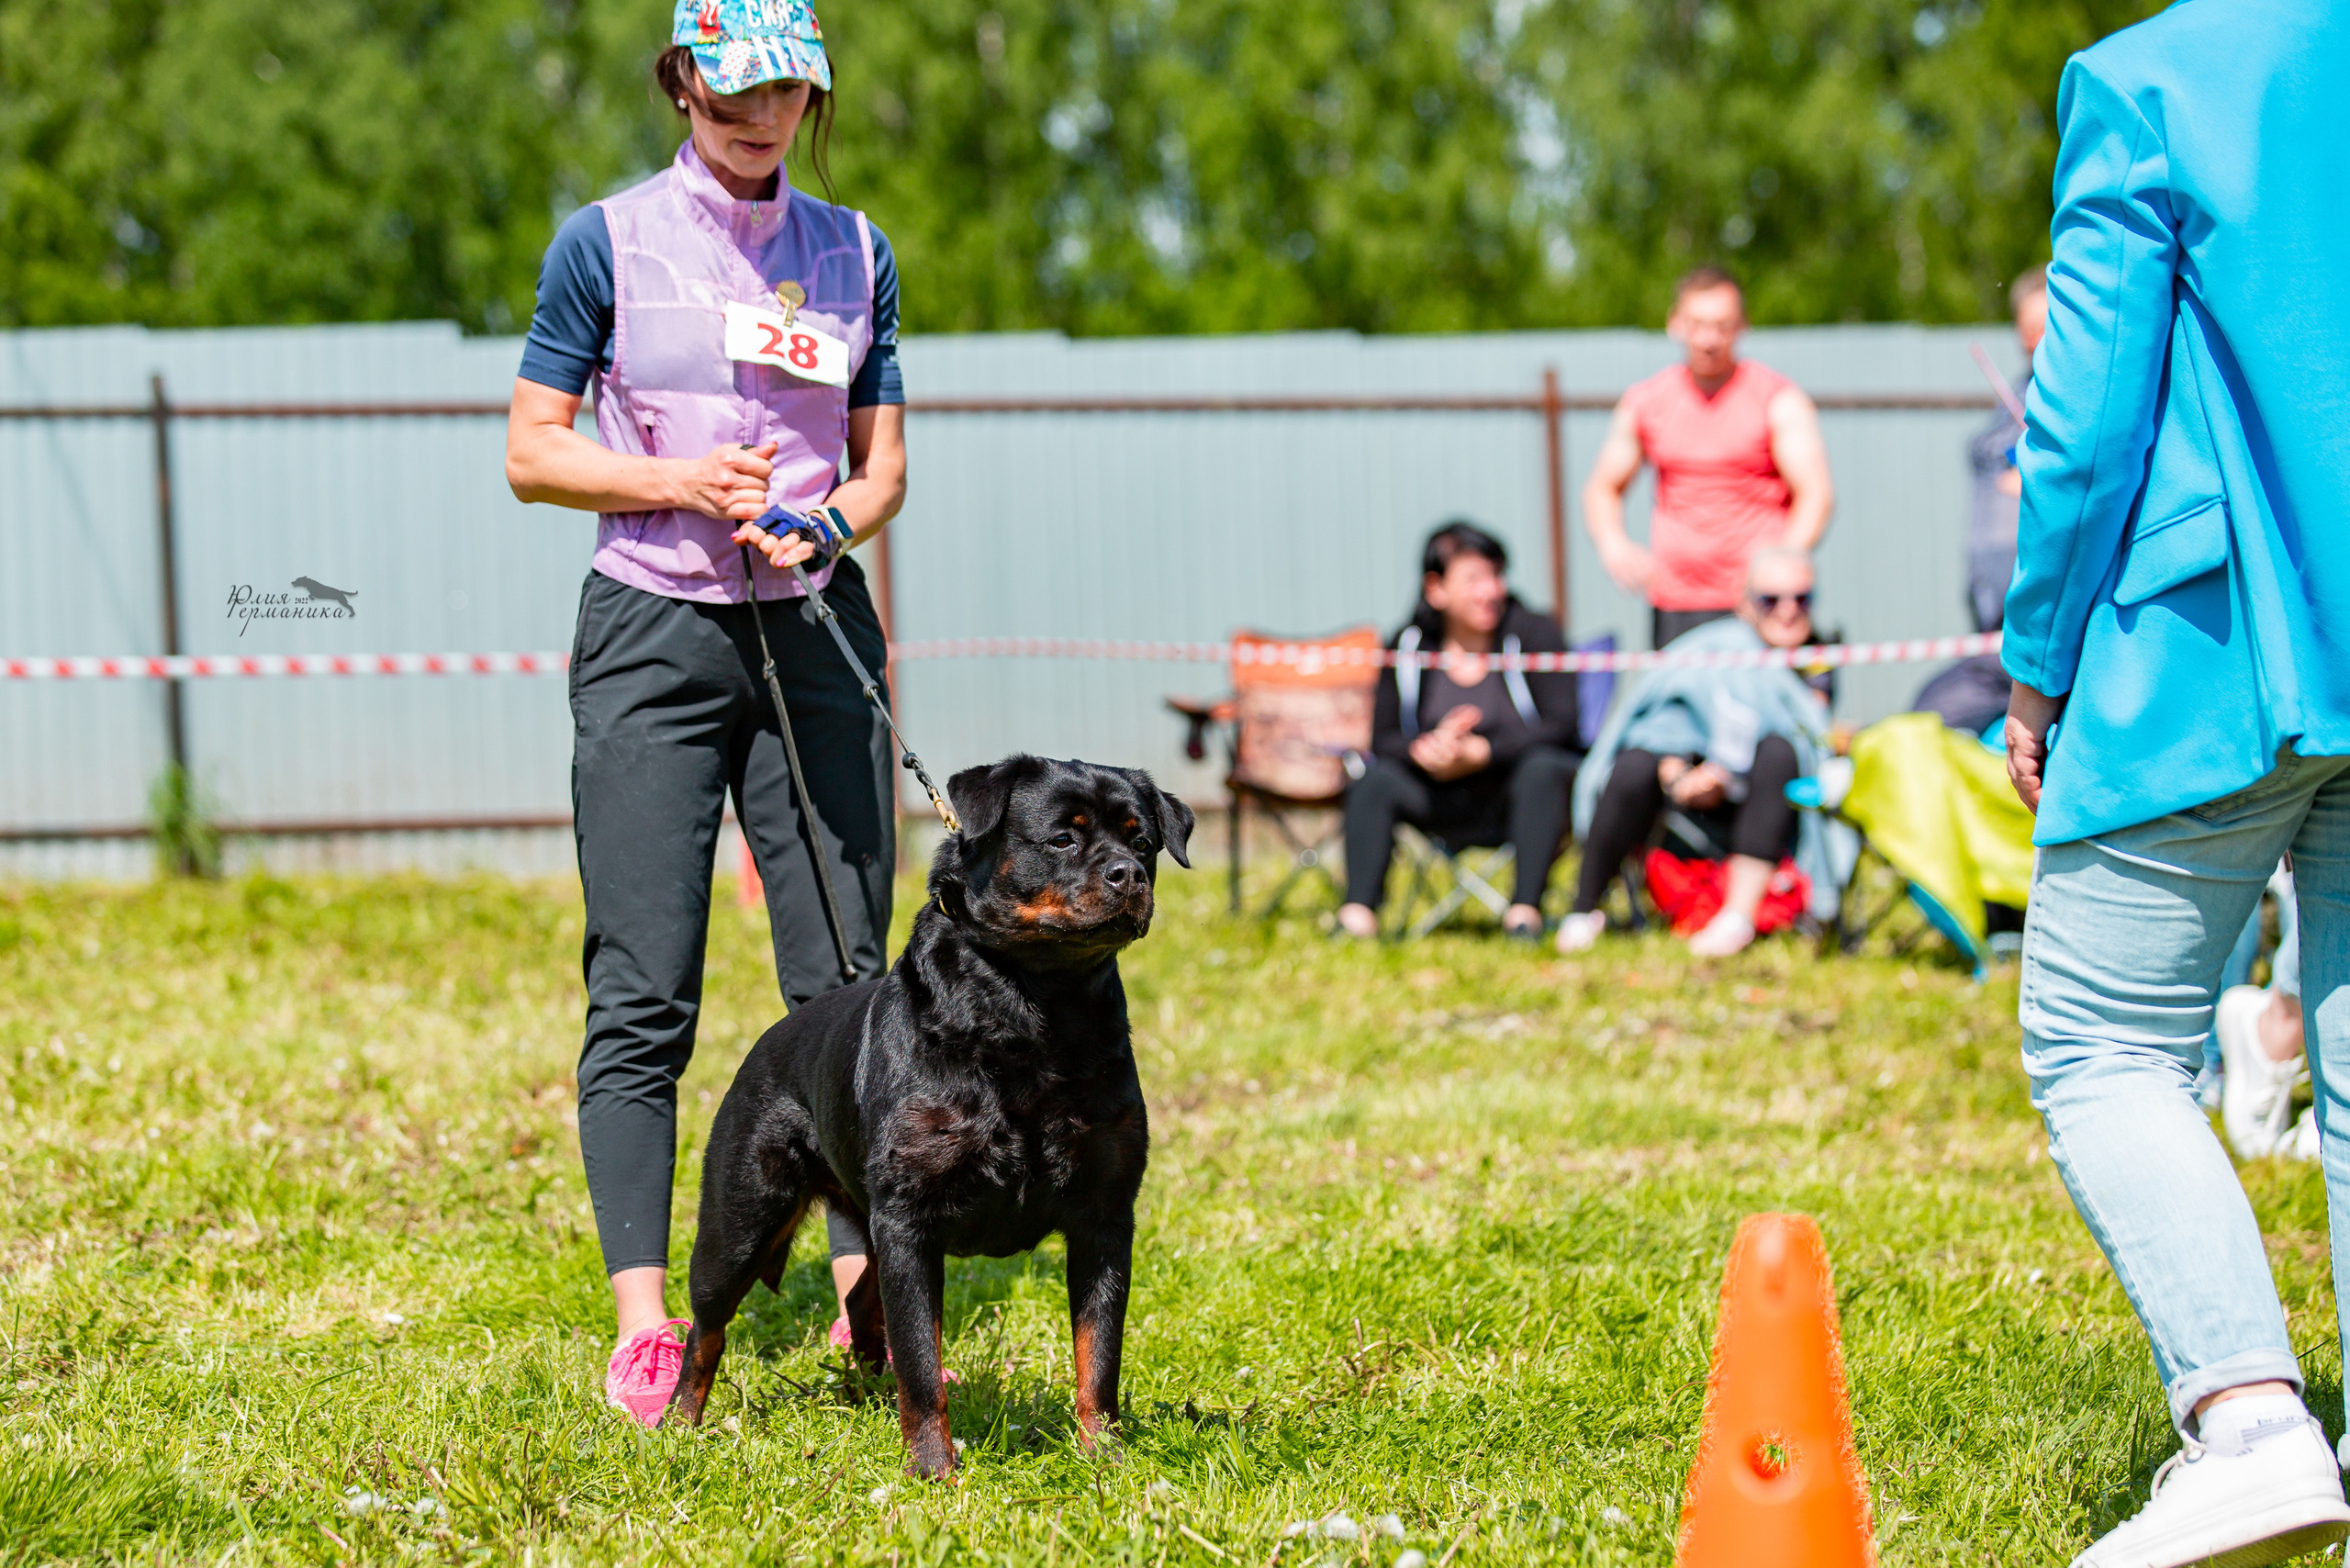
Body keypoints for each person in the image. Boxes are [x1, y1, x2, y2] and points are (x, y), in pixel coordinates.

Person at [503, 0, 908, 1427]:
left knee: (848, 977)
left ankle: (866, 1288)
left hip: (812, 628)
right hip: (652, 637)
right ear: (680, 80)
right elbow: (533, 453)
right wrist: (675, 481)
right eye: (731, 91)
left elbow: (882, 469)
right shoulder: (605, 242)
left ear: (814, 93)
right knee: (644, 987)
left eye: (785, 91)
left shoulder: (856, 251)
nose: (758, 116)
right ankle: (645, 1321)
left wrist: (828, 522)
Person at [1998, 2, 2350, 1561]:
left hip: (2221, 651)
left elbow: (2085, 414)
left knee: (2097, 1036)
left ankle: (2251, 1422)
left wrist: (2038, 654)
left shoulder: (2150, 78)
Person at [1561, 549, 1841, 958]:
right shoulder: (1712, 650)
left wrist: (1728, 773)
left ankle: (1738, 917)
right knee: (1636, 762)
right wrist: (1678, 773)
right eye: (1771, 599)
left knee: (1779, 752)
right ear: (1745, 603)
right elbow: (1665, 720)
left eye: (1802, 598)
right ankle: (1584, 909)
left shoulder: (1818, 658)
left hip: (1766, 803)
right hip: (1685, 793)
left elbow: (1813, 736)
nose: (1788, 611)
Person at [1335, 522, 1582, 941]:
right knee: (1372, 781)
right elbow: (1384, 738)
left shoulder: (1534, 632)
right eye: (1474, 579)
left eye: (1496, 575)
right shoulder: (1408, 645)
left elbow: (1563, 724)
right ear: (1436, 589)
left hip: (1514, 798)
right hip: (1436, 795)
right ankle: (1357, 915)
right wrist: (1427, 749)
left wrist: (1486, 752)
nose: (1491, 590)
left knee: (1544, 769)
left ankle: (1525, 913)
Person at [1582, 267, 1835, 649]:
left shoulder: (1778, 400)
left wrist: (1778, 572)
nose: (1709, 339)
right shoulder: (1647, 401)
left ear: (1742, 326)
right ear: (1675, 324)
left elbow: (1816, 495)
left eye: (1722, 326)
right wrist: (1612, 544)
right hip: (1676, 601)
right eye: (1698, 325)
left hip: (1759, 605)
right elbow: (1602, 487)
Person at [1909, 265, 2048, 737]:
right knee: (1928, 721)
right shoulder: (2019, 393)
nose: (2033, 341)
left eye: (2045, 326)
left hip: (2043, 632)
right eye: (2026, 329)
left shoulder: (2081, 403)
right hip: (1997, 630)